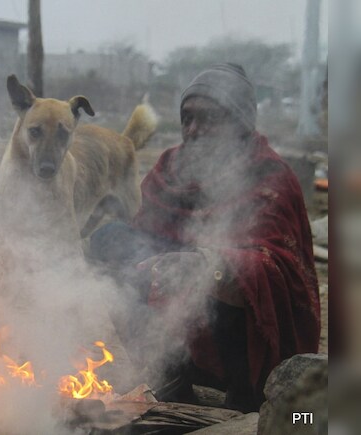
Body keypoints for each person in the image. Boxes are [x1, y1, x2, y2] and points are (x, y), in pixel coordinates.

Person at [89, 63, 320, 412]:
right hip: (176, 322)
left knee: (225, 276)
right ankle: (171, 376)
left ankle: (246, 395)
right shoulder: (170, 168)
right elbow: (143, 238)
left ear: (239, 122)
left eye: (207, 118)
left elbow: (278, 269)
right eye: (187, 118)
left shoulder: (270, 175)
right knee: (111, 241)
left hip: (244, 335)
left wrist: (206, 265)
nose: (193, 129)